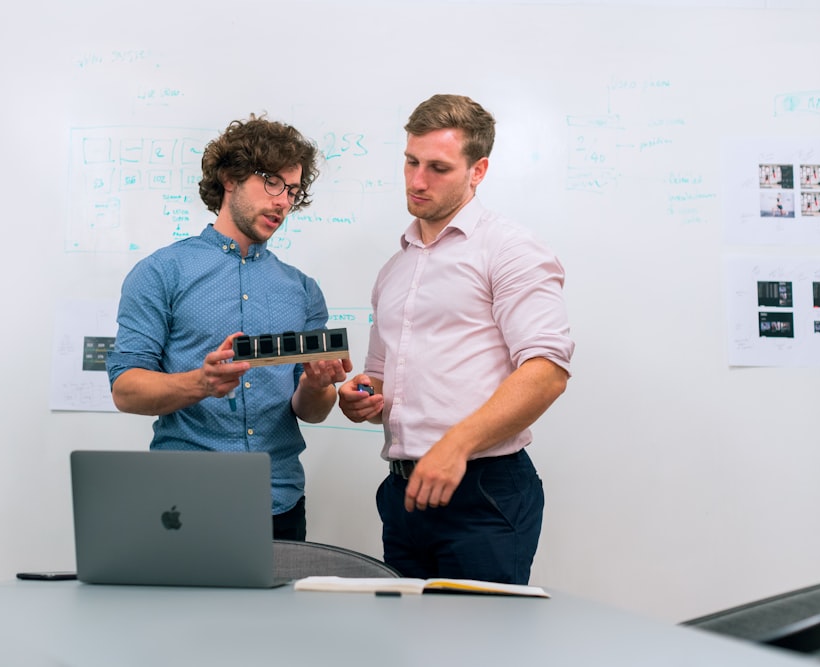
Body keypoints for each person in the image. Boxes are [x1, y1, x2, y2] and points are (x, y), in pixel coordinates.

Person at [338, 94, 574, 584]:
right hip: (403, 494)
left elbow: (547, 372)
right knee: (408, 650)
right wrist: (362, 395)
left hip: (483, 493)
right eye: (411, 161)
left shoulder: (510, 250)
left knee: (479, 649)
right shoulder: (394, 268)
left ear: (478, 170)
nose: (417, 180)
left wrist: (455, 445)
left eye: (438, 168)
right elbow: (380, 379)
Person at [107, 115, 350, 541]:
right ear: (230, 177)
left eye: (292, 191)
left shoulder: (302, 290)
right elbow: (126, 389)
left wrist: (317, 386)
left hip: (281, 503)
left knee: (279, 611)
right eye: (272, 182)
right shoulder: (161, 273)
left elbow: (311, 411)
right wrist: (201, 383)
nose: (283, 202)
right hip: (183, 503)